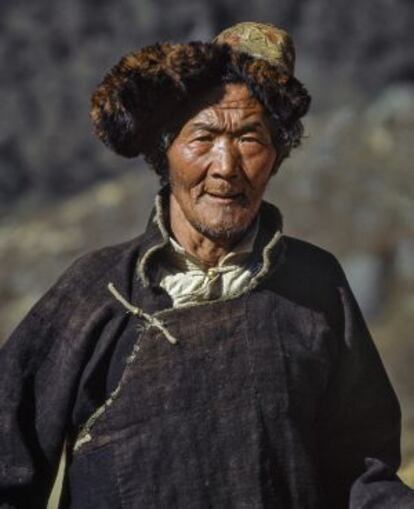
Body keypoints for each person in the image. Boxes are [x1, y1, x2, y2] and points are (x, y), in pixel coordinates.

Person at [0, 21, 413, 509]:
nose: (225, 166)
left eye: (249, 138)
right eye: (203, 136)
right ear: (166, 152)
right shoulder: (95, 294)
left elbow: (362, 475)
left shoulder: (315, 286)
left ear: (277, 156)